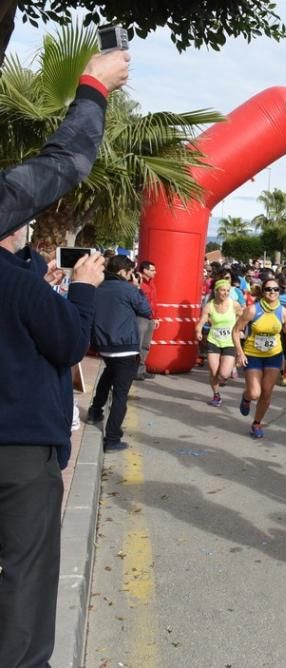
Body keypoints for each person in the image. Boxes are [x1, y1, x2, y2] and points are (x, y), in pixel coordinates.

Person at [0, 56, 127, 656]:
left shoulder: (22, 279)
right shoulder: (18, 283)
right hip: (20, 450)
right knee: (25, 577)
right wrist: (80, 291)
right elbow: (72, 343)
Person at [87, 255, 153, 452]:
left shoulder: (98, 287)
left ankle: (95, 411)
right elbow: (146, 310)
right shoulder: (127, 289)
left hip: (104, 345)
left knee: (108, 375)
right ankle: (112, 438)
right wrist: (137, 288)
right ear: (124, 272)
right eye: (130, 272)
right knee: (120, 395)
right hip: (125, 345)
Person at [233, 277, 286, 438]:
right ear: (263, 292)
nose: (273, 292)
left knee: (267, 392)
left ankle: (257, 423)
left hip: (273, 355)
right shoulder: (253, 310)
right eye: (269, 289)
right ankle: (246, 397)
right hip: (253, 354)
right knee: (255, 393)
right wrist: (239, 352)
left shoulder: (284, 312)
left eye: (276, 289)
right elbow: (236, 330)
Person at [194, 279, 243, 407]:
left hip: (229, 342)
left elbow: (244, 317)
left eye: (228, 291)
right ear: (216, 291)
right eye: (223, 290)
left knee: (224, 374)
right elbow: (202, 321)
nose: (225, 293)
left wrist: (239, 328)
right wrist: (198, 330)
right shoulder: (209, 305)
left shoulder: (234, 305)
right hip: (214, 340)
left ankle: (230, 368)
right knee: (213, 371)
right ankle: (216, 395)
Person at [134, 259, 159, 380]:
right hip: (140, 317)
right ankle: (134, 370)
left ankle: (141, 369)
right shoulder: (137, 283)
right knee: (138, 345)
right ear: (145, 270)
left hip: (150, 318)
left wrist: (156, 318)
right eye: (153, 270)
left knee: (145, 345)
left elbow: (154, 302)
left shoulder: (152, 283)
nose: (155, 272)